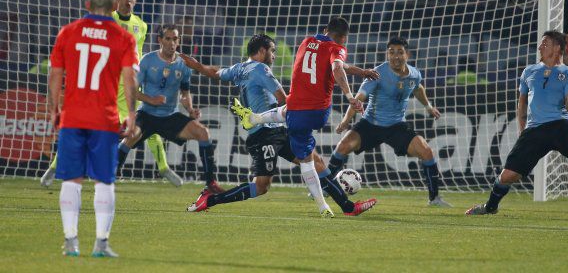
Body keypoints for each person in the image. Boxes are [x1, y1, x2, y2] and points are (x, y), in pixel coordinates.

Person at [182, 34, 376, 216]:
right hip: (264, 134)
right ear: (261, 51)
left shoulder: (239, 69)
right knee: (261, 187)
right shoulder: (261, 69)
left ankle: (348, 207)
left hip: (276, 131)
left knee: (315, 162)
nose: (274, 56)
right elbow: (284, 100)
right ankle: (210, 200)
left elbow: (214, 72)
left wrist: (195, 64)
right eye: (272, 50)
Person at [466, 30, 568, 220]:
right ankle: (490, 207)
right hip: (534, 130)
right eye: (541, 43)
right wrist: (522, 128)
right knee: (508, 176)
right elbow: (522, 102)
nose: (540, 47)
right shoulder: (529, 71)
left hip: (559, 125)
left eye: (545, 43)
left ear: (557, 48)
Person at [231, 17, 380, 218]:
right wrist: (350, 96)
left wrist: (361, 72)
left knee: (308, 151)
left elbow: (336, 65)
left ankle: (256, 118)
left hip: (294, 106)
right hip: (315, 112)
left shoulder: (306, 41)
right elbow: (337, 67)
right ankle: (327, 208)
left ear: (325, 30)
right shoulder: (338, 48)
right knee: (309, 163)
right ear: (344, 38)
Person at [40, 0, 182, 187]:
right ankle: (53, 168)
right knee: (79, 130)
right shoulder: (106, 19)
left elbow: (138, 57)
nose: (128, 0)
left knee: (149, 126)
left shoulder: (141, 25)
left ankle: (164, 168)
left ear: (136, 0)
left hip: (125, 89)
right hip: (103, 86)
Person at [49, 0, 138, 257]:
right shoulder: (123, 38)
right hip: (105, 119)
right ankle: (101, 243)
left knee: (70, 180)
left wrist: (54, 109)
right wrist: (132, 115)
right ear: (114, 6)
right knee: (104, 181)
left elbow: (54, 74)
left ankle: (70, 242)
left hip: (73, 117)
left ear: (87, 5)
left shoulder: (68, 32)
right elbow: (130, 78)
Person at [329, 36, 451, 207]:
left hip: (396, 126)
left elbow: (418, 88)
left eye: (399, 52)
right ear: (387, 54)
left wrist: (429, 107)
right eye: (391, 52)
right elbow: (359, 99)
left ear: (407, 55)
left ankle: (435, 199)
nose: (395, 56)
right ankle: (325, 187)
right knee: (342, 147)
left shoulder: (414, 74)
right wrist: (345, 121)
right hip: (370, 124)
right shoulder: (377, 74)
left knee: (427, 152)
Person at [116, 24, 223, 194]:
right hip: (147, 114)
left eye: (175, 39)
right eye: (168, 38)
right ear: (160, 40)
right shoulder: (148, 60)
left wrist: (190, 109)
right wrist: (151, 99)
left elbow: (185, 93)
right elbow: (132, 91)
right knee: (130, 135)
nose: (172, 43)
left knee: (204, 133)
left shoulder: (184, 64)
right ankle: (113, 174)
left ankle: (211, 183)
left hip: (170, 116)